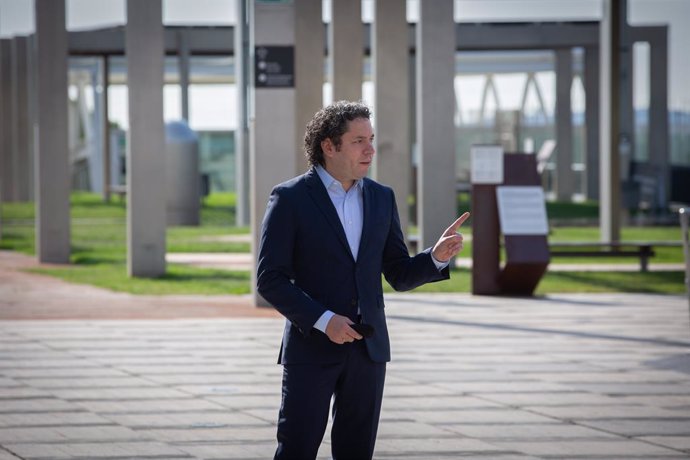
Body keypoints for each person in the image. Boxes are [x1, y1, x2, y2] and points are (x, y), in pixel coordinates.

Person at [257, 100, 469, 460]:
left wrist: (435, 257)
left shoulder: (381, 198)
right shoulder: (290, 198)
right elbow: (270, 279)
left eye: (371, 139)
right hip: (312, 348)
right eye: (358, 141)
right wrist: (325, 321)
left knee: (357, 452)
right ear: (329, 146)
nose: (371, 149)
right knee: (296, 448)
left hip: (368, 352)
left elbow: (398, 273)